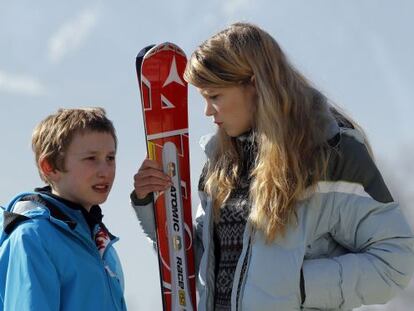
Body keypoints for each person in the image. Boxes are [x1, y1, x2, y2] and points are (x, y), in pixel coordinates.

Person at [131, 22, 414, 310]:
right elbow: (200, 264)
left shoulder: (330, 156)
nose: (207, 112)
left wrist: (300, 286)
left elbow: (395, 260)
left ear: (254, 84)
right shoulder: (221, 164)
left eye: (214, 97)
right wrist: (157, 205)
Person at [0, 108, 126, 310]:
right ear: (50, 166)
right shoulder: (33, 238)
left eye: (110, 158)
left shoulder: (100, 244)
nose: (105, 171)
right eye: (91, 158)